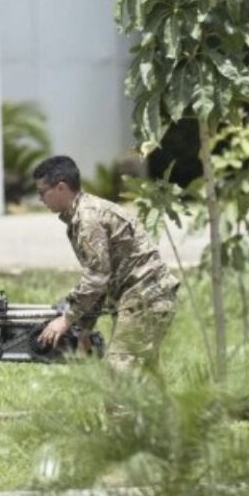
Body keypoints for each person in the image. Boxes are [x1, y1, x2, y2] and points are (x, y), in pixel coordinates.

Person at [33, 155, 179, 373]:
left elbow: (97, 278)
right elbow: (101, 280)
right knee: (146, 384)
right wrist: (84, 330)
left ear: (61, 187)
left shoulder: (88, 219)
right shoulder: (81, 215)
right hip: (142, 297)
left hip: (146, 297)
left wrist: (66, 320)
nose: (40, 199)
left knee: (119, 375)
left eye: (42, 192)